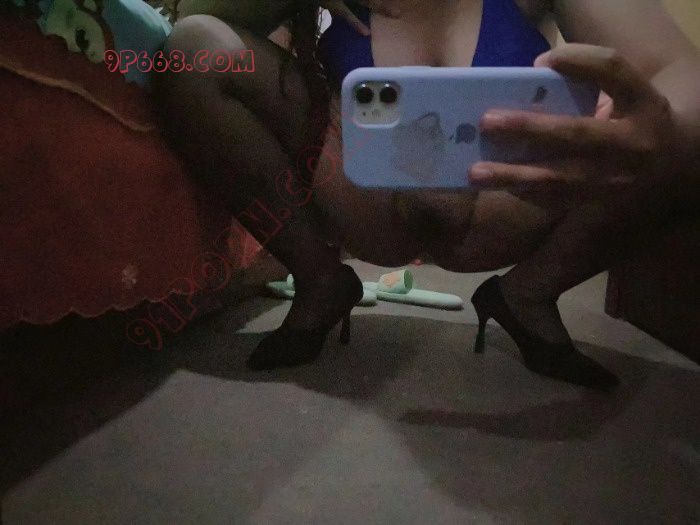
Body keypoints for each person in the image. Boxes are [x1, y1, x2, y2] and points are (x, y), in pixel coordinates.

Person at [153, 0, 700, 389]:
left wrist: (667, 127)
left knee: (689, 133)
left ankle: (527, 295)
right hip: (362, 197)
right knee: (197, 48)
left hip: (509, 206)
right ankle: (319, 281)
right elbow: (188, 28)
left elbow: (683, 70)